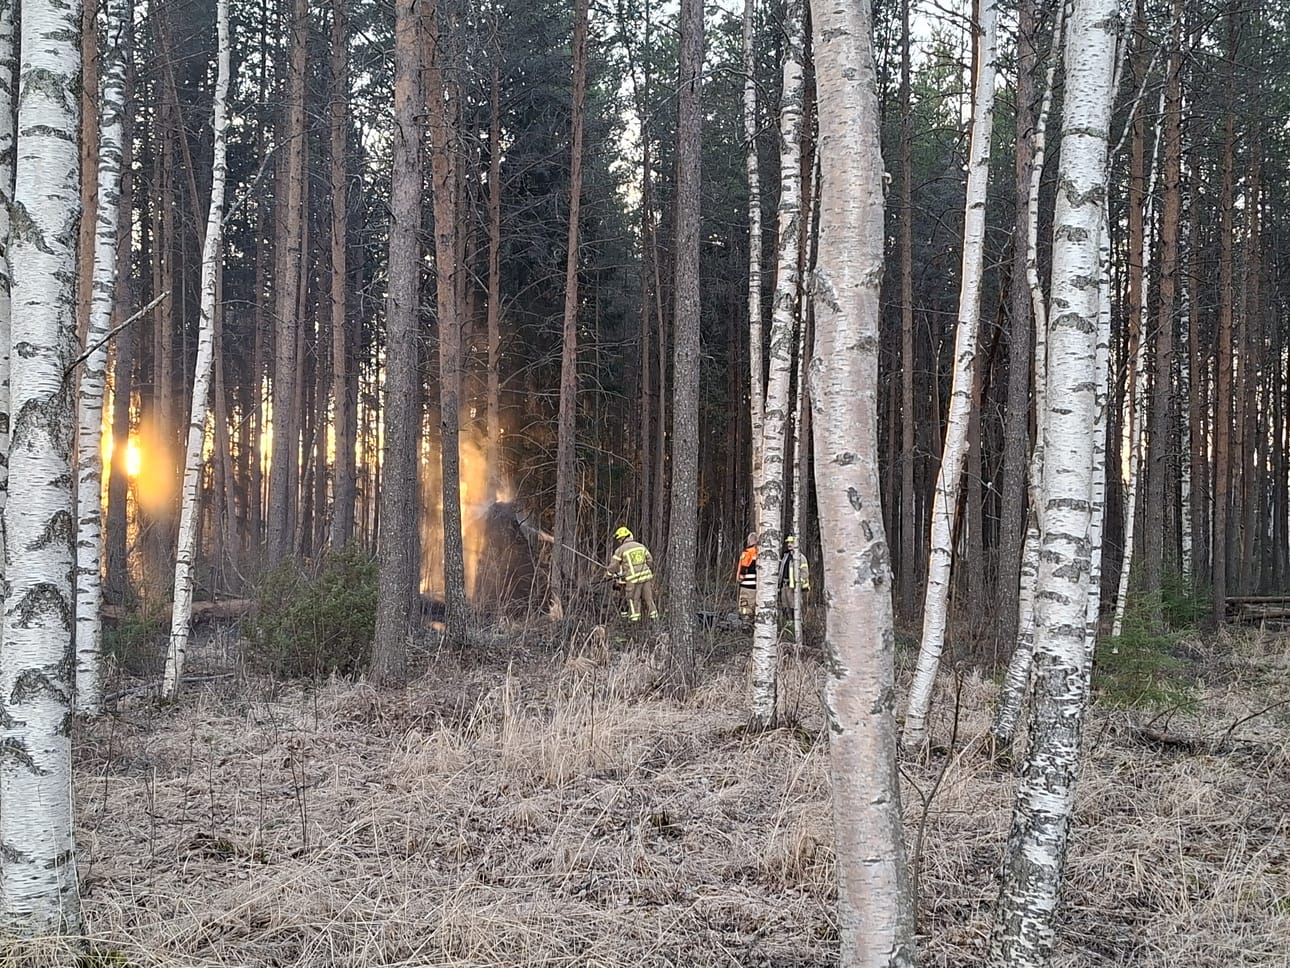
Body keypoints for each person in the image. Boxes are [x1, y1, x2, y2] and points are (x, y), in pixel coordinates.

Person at [607, 526, 658, 622]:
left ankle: (635, 625)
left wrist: (608, 574)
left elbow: (614, 565)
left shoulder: (621, 550)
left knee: (633, 600)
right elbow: (650, 560)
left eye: (619, 539)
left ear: (622, 538)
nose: (618, 541)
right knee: (649, 600)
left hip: (633, 580)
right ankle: (655, 621)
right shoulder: (641, 546)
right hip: (646, 577)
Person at [779, 533, 810, 613]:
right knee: (785, 608)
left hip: (794, 588)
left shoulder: (800, 558)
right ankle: (787, 624)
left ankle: (794, 624)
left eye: (791, 542)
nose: (789, 544)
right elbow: (781, 571)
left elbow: (805, 574)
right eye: (788, 542)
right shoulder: (785, 556)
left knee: (794, 609)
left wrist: (798, 585)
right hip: (784, 586)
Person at [736, 531, 758, 619]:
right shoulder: (760, 552)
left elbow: (743, 567)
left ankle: (745, 624)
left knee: (745, 608)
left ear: (749, 541)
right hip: (757, 586)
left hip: (747, 586)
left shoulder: (747, 552)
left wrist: (740, 578)